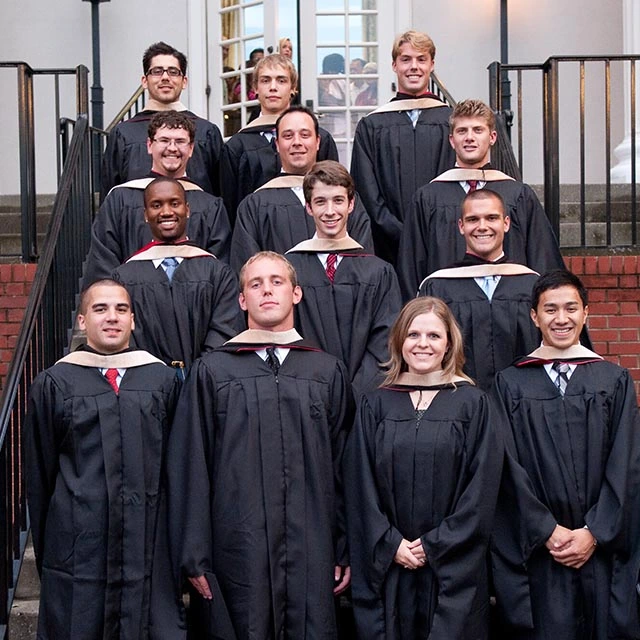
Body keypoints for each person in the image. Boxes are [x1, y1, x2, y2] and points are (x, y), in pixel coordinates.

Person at [166, 251, 354, 639]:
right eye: (255, 284)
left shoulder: (325, 370)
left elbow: (345, 466)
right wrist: (194, 552)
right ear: (241, 300)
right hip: (236, 543)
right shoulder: (213, 370)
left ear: (296, 294)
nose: (267, 291)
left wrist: (345, 543)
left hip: (312, 543)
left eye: (277, 282)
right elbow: (191, 464)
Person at [26, 280, 182, 639]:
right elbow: (41, 472)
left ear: (133, 321)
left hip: (148, 539)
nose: (111, 317)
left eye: (121, 309)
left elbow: (178, 467)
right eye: (100, 309)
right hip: (79, 543)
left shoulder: (162, 380)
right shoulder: (55, 382)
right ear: (82, 321)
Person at [491, 270, 640, 640]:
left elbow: (627, 463)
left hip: (601, 549)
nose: (561, 318)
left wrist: (594, 532)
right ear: (534, 316)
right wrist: (547, 530)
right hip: (542, 551)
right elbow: (507, 466)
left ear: (586, 313)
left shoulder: (613, 380)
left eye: (571, 308)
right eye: (551, 309)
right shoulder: (510, 383)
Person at [345, 297, 501, 639]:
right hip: (390, 566)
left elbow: (482, 489)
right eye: (413, 334)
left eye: (433, 335)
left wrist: (436, 544)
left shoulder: (472, 404)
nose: (423, 344)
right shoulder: (376, 403)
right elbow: (360, 484)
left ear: (449, 343)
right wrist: (390, 544)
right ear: (400, 340)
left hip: (451, 569)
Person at [398, 99, 564, 299]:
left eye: (478, 130)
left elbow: (543, 260)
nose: (469, 138)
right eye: (462, 131)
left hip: (512, 309)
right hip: (447, 311)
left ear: (492, 137)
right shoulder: (427, 198)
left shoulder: (518, 195)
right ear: (452, 140)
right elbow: (411, 270)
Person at [286, 160, 401, 396]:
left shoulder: (378, 272)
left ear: (351, 204)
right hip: (306, 396)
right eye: (320, 202)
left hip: (364, 398)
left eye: (338, 200)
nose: (330, 211)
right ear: (308, 207)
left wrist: (354, 396)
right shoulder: (290, 269)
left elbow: (385, 343)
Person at [84, 111, 231, 286]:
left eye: (180, 141)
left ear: (191, 149)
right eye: (164, 140)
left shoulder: (210, 206)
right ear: (149, 145)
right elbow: (103, 263)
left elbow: (221, 271)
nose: (172, 148)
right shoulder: (120, 200)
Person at [113, 177, 244, 371]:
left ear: (187, 210)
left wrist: (200, 375)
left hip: (206, 383)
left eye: (174, 204)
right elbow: (126, 336)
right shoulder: (124, 278)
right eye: (156, 205)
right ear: (145, 214)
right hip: (147, 385)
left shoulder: (217, 273)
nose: (166, 212)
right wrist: (155, 378)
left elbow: (225, 329)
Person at [350, 30, 455, 264]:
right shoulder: (373, 125)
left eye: (421, 59)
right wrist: (399, 231)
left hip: (443, 238)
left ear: (432, 64)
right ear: (394, 65)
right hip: (388, 244)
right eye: (406, 59)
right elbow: (366, 190)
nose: (414, 67)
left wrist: (437, 227)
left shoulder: (451, 122)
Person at [418, 189, 540, 390]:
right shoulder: (438, 286)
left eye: (492, 218)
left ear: (506, 223)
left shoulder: (530, 284)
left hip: (523, 403)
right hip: (456, 401)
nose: (482, 227)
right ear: (461, 226)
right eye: (473, 219)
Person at [230, 106, 373, 272]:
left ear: (318, 141)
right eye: (288, 136)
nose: (297, 142)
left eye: (305, 135)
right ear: (277, 144)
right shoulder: (254, 205)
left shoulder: (345, 198)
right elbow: (249, 271)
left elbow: (364, 264)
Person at [220, 54, 339, 224]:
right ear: (255, 88)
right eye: (265, 80)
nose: (273, 87)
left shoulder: (321, 139)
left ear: (293, 88)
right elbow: (230, 205)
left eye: (281, 80)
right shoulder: (237, 147)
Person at [101, 41, 223, 199]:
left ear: (184, 81)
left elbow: (219, 193)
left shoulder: (206, 131)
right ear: (145, 81)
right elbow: (110, 195)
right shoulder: (124, 134)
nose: (165, 77)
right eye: (157, 71)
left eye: (173, 72)